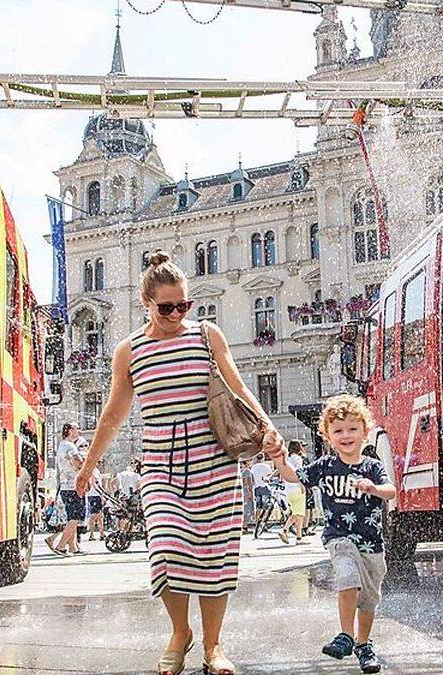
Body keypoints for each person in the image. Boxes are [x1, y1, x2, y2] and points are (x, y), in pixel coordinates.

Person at [74, 251, 282, 675]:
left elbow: (239, 384)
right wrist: (88, 464)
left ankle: (213, 645)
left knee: (215, 554)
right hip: (161, 463)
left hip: (215, 459)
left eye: (183, 305)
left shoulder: (207, 336)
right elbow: (113, 414)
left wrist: (267, 426)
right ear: (146, 304)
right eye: (166, 307)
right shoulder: (129, 351)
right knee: (167, 548)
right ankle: (178, 631)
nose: (176, 313)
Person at [269, 395, 395, 674]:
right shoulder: (325, 466)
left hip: (372, 543)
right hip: (340, 538)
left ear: (365, 431)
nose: (346, 435)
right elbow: (294, 476)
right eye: (338, 430)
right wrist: (279, 459)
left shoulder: (372, 467)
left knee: (369, 600)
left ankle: (363, 644)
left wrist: (373, 488)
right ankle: (345, 636)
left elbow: (391, 491)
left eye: (352, 429)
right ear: (327, 435)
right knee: (347, 578)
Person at [46, 423, 86, 556]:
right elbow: (78, 463)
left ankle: (74, 547)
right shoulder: (70, 446)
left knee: (71, 518)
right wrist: (86, 464)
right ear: (69, 431)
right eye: (76, 428)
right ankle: (61, 546)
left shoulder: (62, 445)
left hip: (65, 486)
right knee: (76, 517)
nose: (79, 430)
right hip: (73, 486)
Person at [278, 441, 308, 545]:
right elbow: (299, 473)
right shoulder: (298, 459)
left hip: (288, 489)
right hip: (297, 487)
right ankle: (288, 531)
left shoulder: (287, 459)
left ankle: (294, 535)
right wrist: (303, 485)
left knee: (297, 513)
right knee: (299, 514)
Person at [86, 465, 106, 541]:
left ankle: (101, 533)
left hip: (94, 495)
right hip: (95, 495)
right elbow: (95, 483)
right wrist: (101, 495)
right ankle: (92, 534)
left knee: (99, 516)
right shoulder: (93, 470)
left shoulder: (95, 470)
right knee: (95, 516)